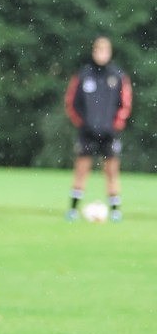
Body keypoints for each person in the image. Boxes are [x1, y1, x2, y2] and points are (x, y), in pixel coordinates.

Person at [64, 36, 132, 221]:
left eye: (105, 50)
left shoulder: (117, 76)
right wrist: (83, 123)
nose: (101, 54)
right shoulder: (84, 75)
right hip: (87, 132)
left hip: (109, 133)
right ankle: (72, 210)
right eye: (98, 50)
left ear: (109, 53)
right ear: (94, 51)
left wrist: (115, 124)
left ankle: (115, 211)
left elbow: (125, 104)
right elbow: (71, 103)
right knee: (81, 171)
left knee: (111, 172)